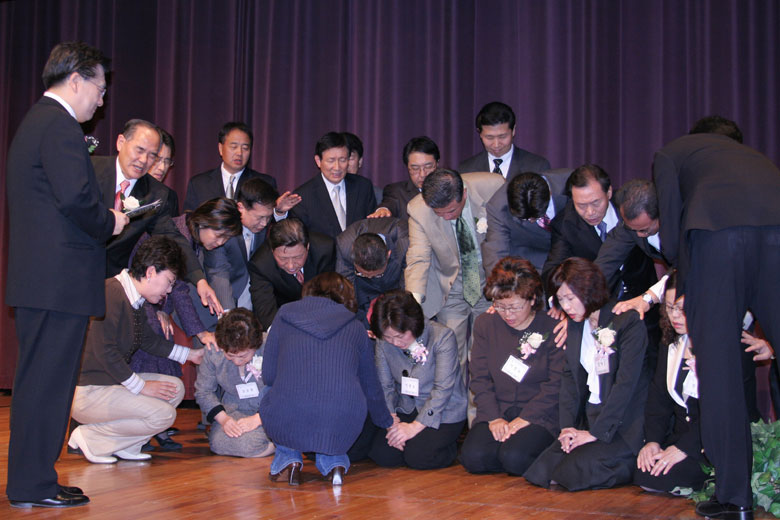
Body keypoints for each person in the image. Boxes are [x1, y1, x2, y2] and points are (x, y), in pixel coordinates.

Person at [5, 40, 128, 509]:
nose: (102, 100)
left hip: (45, 281)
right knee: (46, 386)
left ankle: (35, 479)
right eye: (99, 88)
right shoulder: (58, 125)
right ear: (75, 80)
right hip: (57, 283)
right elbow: (77, 198)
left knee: (43, 385)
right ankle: (32, 485)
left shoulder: (38, 121)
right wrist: (110, 221)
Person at [653, 115, 780, 520]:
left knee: (719, 367)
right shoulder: (755, 157)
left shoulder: (672, 153)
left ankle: (735, 498)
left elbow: (671, 235)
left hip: (716, 239)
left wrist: (681, 275)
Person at [68, 236, 204, 464]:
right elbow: (106, 352)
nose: (169, 290)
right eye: (169, 281)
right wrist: (141, 386)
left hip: (110, 385)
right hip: (89, 393)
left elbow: (148, 341)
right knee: (164, 415)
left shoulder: (134, 299)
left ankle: (127, 444)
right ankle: (90, 438)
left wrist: (192, 355)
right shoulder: (111, 293)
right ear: (150, 272)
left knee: (175, 389)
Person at [524, 257, 650, 491]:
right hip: (591, 416)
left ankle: (630, 466)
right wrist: (567, 427)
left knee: (569, 472)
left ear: (589, 290)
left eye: (570, 298)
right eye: (561, 300)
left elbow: (626, 384)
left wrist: (596, 433)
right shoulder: (576, 324)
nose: (567, 307)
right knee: (541, 471)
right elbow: (569, 379)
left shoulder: (626, 321)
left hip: (622, 423)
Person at [260, 273, 393, 486]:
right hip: (342, 417)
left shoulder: (284, 315)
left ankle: (289, 459)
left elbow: (269, 374)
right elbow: (370, 385)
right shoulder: (356, 327)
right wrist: (386, 421)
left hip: (289, 413)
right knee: (337, 396)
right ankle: (335, 462)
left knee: (268, 391)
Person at [92, 119, 223, 318]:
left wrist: (200, 280)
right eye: (139, 150)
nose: (144, 160)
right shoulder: (90, 169)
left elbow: (173, 238)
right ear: (120, 142)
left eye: (152, 155)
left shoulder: (156, 193)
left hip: (110, 285)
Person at [460, 258, 564, 476]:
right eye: (500, 306)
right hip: (498, 408)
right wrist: (494, 417)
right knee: (473, 458)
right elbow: (479, 377)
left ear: (532, 299)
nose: (508, 314)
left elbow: (556, 384)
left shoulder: (552, 327)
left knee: (515, 458)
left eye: (515, 307)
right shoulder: (486, 324)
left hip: (539, 413)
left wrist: (527, 418)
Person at [405, 168, 504, 381]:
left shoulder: (494, 188)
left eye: (451, 211)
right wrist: (413, 302)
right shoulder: (418, 209)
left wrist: (504, 288)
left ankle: (480, 404)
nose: (446, 217)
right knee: (451, 357)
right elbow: (418, 257)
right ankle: (454, 403)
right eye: (439, 213)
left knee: (484, 355)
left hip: (490, 284)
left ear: (464, 194)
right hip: (451, 288)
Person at [367, 290, 467, 469]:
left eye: (399, 336)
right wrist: (392, 421)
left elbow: (442, 389)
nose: (394, 342)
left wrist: (414, 428)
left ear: (413, 324)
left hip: (443, 409)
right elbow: (385, 386)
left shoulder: (442, 337)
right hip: (408, 406)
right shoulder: (383, 341)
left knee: (419, 457)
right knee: (383, 455)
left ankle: (451, 449)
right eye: (388, 337)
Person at [634, 270, 708, 494]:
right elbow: (659, 398)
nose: (675, 316)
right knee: (643, 471)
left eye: (681, 309)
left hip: (712, 438)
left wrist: (686, 448)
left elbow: (725, 410)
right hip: (682, 434)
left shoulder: (722, 344)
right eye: (669, 307)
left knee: (662, 477)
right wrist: (652, 441)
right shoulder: (671, 342)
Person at [541, 164, 657, 300]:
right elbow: (552, 272)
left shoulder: (629, 206)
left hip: (645, 294)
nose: (590, 212)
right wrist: (561, 300)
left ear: (609, 192)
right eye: (581, 205)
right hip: (600, 302)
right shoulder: (565, 224)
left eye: (596, 203)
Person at [194, 309, 274, 458]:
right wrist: (224, 419)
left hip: (270, 411)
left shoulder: (270, 346)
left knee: (249, 443)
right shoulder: (213, 351)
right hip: (234, 411)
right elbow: (203, 391)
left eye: (243, 356)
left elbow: (286, 389)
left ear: (255, 345)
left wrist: (259, 419)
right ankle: (278, 444)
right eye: (230, 355)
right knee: (219, 443)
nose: (237, 361)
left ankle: (279, 444)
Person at [248, 217, 336, 330]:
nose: (291, 266)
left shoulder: (325, 249)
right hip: (284, 319)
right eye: (283, 258)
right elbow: (266, 312)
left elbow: (331, 296)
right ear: (272, 251)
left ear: (307, 247)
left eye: (297, 257)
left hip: (321, 317)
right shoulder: (261, 265)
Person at [204, 178, 278, 312]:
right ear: (241, 207)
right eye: (260, 218)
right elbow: (218, 272)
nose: (264, 223)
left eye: (268, 217)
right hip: (224, 300)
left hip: (255, 301)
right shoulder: (222, 230)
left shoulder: (263, 225)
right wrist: (228, 314)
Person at [289, 131, 378, 238]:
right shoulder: (303, 196)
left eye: (342, 160)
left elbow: (373, 227)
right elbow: (300, 238)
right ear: (318, 161)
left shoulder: (363, 187)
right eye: (331, 160)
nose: (337, 167)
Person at [483, 172, 568, 275]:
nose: (531, 221)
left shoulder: (571, 185)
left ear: (549, 194)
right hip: (533, 266)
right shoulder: (499, 206)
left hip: (573, 259)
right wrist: (499, 281)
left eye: (535, 217)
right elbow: (495, 250)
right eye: (525, 219)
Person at [183, 122, 277, 210]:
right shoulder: (199, 184)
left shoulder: (265, 183)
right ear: (220, 148)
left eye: (245, 148)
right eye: (233, 147)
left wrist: (279, 212)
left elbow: (271, 218)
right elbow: (189, 218)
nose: (239, 153)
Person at [335, 217, 408, 327]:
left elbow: (406, 288)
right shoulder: (345, 245)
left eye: (377, 274)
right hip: (363, 295)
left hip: (395, 288)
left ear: (388, 255)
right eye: (362, 274)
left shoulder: (405, 243)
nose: (370, 277)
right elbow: (347, 292)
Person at [458, 101, 550, 178]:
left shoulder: (537, 167)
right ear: (480, 133)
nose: (496, 144)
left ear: (513, 131)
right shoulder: (466, 170)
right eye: (489, 137)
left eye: (502, 137)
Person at [370, 136, 441, 220]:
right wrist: (383, 210)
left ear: (437, 164)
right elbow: (389, 204)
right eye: (415, 168)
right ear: (407, 167)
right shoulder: (397, 192)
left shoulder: (450, 189)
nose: (422, 174)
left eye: (428, 167)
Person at [147, 127, 180, 216]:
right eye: (157, 160)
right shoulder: (127, 187)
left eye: (167, 161)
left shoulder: (170, 196)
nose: (162, 168)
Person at [343, 131, 383, 203]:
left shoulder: (375, 195)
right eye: (342, 159)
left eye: (350, 158)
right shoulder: (321, 192)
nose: (346, 164)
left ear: (360, 161)